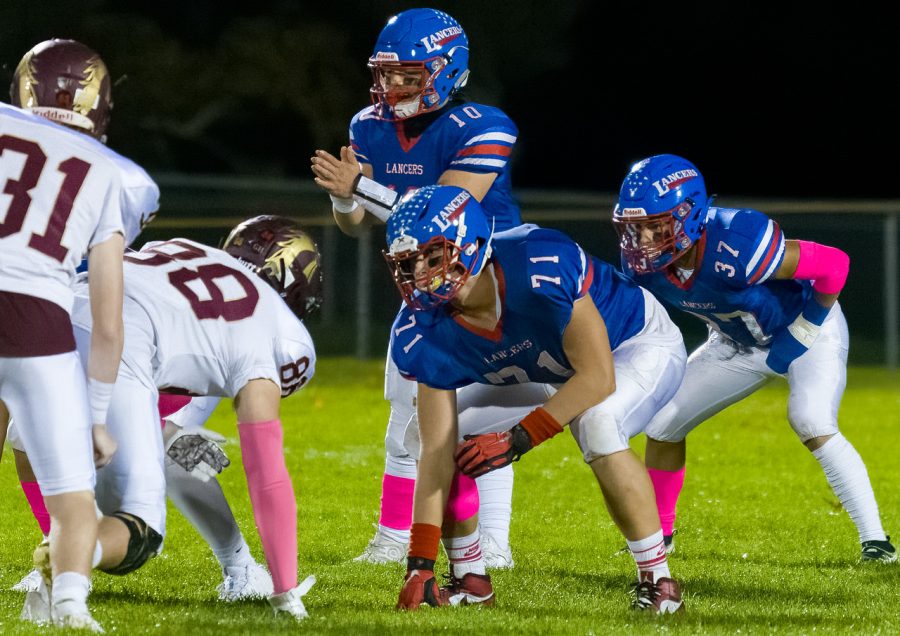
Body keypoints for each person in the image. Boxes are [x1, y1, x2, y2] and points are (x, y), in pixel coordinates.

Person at [384, 185, 687, 613]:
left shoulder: (539, 264)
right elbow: (436, 447)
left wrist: (518, 438)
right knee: (422, 435)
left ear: (470, 245)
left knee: (598, 424)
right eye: (408, 264)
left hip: (632, 346)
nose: (420, 276)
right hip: (545, 368)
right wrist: (419, 562)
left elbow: (597, 377)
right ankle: (470, 578)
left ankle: (659, 583)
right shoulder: (420, 331)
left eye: (433, 257)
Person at [15, 216, 323, 624]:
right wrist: (286, 590)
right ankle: (71, 556)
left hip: (56, 313)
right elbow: (265, 468)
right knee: (143, 522)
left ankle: (238, 567)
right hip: (119, 343)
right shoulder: (280, 334)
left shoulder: (191, 252)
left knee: (31, 442)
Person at [310, 7, 522, 567]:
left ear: (447, 71)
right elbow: (356, 225)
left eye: (409, 74)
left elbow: (448, 210)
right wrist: (343, 197)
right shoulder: (369, 126)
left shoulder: (482, 125)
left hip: (489, 281)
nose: (393, 86)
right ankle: (390, 536)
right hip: (424, 282)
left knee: (483, 417)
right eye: (386, 73)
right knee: (405, 417)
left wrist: (362, 188)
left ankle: (493, 541)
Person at [612, 154, 896, 562]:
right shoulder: (644, 263)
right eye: (635, 228)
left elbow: (836, 265)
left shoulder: (738, 240)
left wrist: (803, 332)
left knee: (810, 419)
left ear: (689, 214)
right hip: (736, 344)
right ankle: (660, 535)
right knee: (663, 424)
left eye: (655, 225)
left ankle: (877, 541)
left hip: (805, 327)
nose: (643, 240)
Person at [0, 38, 159, 630]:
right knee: (71, 497)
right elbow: (109, 323)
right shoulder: (105, 172)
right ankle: (69, 605)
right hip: (39, 325)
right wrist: (95, 415)